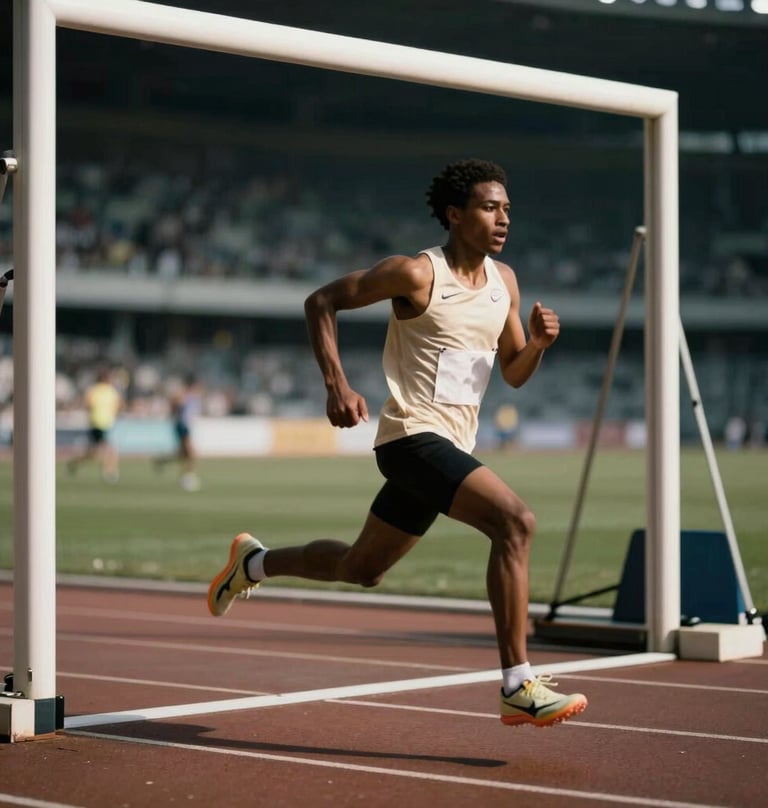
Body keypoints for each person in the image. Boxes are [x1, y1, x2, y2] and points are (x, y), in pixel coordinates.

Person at [207, 159, 587, 727]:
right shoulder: (417, 275)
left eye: (507, 207)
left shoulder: (504, 283)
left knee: (363, 567)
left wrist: (535, 344)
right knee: (516, 522)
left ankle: (253, 563)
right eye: (490, 206)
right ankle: (517, 683)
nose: (504, 217)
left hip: (449, 445)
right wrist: (337, 384)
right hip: (410, 438)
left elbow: (512, 372)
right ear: (455, 215)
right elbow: (321, 302)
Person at [68, 367, 123, 483]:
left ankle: (75, 463)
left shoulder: (95, 390)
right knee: (111, 450)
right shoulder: (109, 391)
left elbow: (88, 405)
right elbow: (119, 405)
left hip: (98, 423)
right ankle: (109, 473)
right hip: (101, 424)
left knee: (94, 453)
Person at [154, 374, 202, 491]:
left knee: (183, 454)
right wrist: (177, 410)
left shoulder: (194, 396)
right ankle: (187, 478)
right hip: (181, 425)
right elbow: (174, 405)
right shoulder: (183, 395)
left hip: (186, 426)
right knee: (191, 453)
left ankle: (163, 461)